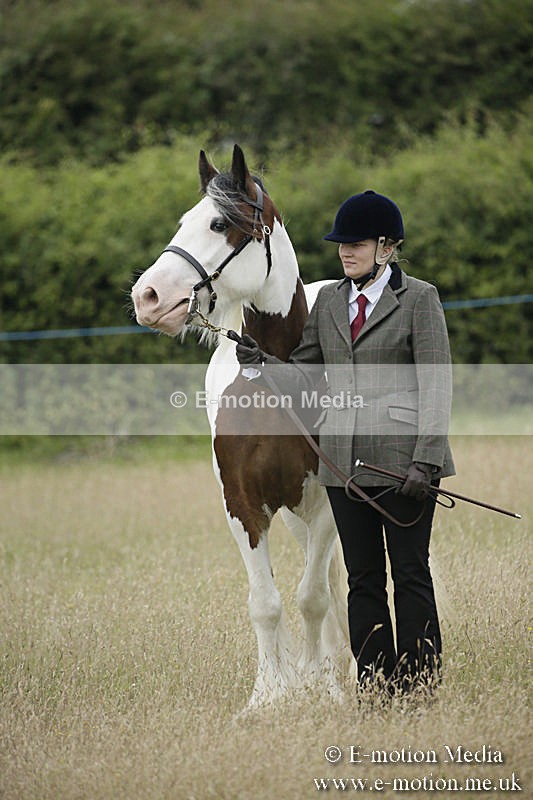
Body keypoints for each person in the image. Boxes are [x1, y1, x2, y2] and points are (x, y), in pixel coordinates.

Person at [236, 190, 455, 695]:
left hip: (406, 466)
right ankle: (378, 687)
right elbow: (306, 373)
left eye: (355, 244)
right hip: (344, 466)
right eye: (341, 245)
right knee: (362, 580)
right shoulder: (331, 300)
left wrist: (426, 461)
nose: (344, 253)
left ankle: (419, 687)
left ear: (386, 248)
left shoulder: (420, 299)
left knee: (410, 576)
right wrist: (260, 364)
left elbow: (437, 385)